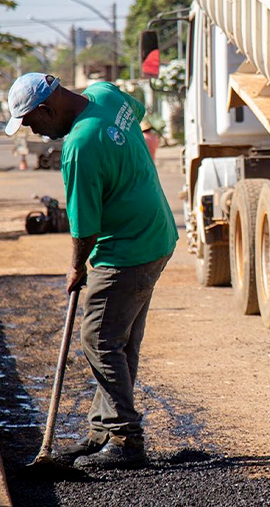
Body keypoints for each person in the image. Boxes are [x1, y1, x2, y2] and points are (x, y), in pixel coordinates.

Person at [4, 73, 179, 469]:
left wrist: (75, 268)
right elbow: (138, 111)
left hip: (126, 248)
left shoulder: (80, 146)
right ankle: (104, 430)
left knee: (98, 338)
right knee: (120, 340)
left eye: (32, 121)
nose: (36, 131)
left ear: (47, 109)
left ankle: (125, 439)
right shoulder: (105, 94)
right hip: (156, 235)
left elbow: (84, 227)